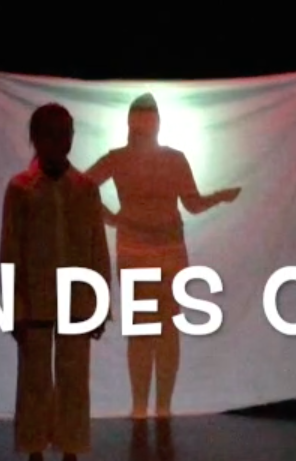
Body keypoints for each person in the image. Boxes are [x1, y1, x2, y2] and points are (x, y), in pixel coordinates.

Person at [84, 93, 240, 419]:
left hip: (167, 249)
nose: (146, 123)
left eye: (150, 117)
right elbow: (82, 189)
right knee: (144, 328)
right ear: (132, 122)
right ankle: (142, 405)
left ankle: (161, 406)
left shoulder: (172, 158)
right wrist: (112, 218)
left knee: (166, 328)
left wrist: (219, 197)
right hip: (136, 249)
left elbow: (192, 203)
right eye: (141, 117)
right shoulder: (120, 158)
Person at [1, 103, 111, 461]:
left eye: (67, 133)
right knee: (34, 382)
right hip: (35, 301)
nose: (63, 141)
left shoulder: (85, 188)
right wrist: (13, 308)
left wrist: (100, 304)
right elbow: (10, 251)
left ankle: (71, 460)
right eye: (54, 134)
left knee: (73, 381)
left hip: (77, 301)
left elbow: (98, 248)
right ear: (37, 138)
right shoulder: (21, 188)